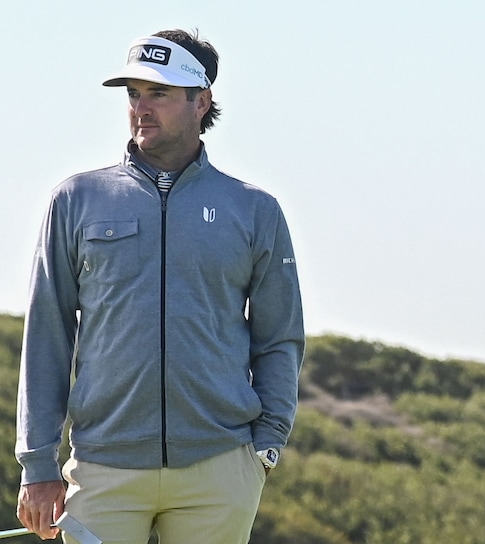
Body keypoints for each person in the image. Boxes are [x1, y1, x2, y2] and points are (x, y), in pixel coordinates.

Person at [15, 28, 305, 544]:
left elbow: (279, 337)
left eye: (160, 93)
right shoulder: (75, 200)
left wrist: (267, 444)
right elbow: (48, 336)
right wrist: (38, 464)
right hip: (103, 469)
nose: (141, 108)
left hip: (220, 468)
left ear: (202, 101)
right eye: (134, 94)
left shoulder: (255, 210)